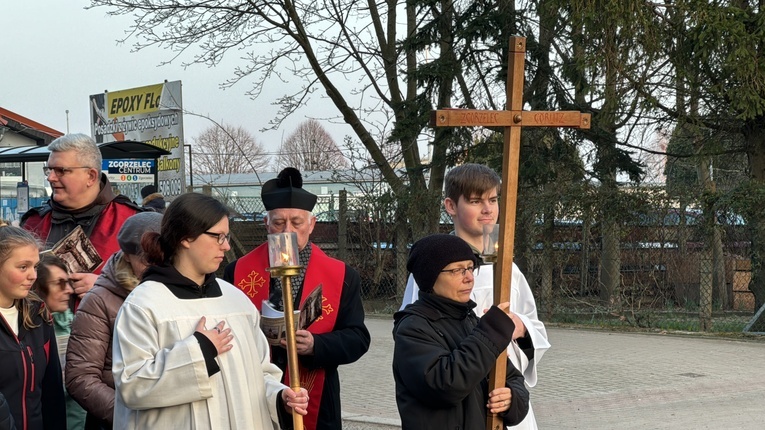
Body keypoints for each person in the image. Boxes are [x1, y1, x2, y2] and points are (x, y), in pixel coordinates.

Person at [111, 193, 308, 429]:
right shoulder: (144, 304)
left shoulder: (236, 301)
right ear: (186, 237)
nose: (225, 245)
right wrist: (199, 350)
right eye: (218, 237)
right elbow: (132, 386)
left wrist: (280, 396)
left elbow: (260, 374)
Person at [400, 163, 550, 429]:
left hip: (503, 397)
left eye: (493, 199)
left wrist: (520, 327)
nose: (487, 209)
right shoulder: (431, 268)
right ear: (451, 206)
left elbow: (534, 327)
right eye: (475, 201)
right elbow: (418, 341)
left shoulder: (509, 268)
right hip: (457, 404)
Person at [223, 167, 371, 430]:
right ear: (266, 224)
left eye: (296, 222)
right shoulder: (237, 271)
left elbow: (357, 338)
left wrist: (316, 344)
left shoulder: (342, 275)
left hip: (316, 393)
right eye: (279, 223)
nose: (287, 231)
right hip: (254, 389)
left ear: (311, 225)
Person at [393, 234, 529, 429]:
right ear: (430, 278)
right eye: (457, 270)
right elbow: (445, 385)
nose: (469, 278)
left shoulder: (472, 322)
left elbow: (514, 378)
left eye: (470, 268)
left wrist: (511, 399)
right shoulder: (412, 328)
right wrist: (490, 333)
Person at [65, 212, 163, 430]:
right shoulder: (100, 299)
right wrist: (129, 417)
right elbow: (81, 377)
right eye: (147, 260)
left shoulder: (172, 291)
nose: (157, 268)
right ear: (127, 255)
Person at [20, 133, 142, 303]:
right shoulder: (33, 222)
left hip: (106, 327)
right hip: (37, 327)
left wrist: (107, 287)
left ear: (91, 176)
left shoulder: (133, 221)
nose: (50, 177)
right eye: (49, 169)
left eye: (61, 170)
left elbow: (159, 288)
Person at [0, 222, 66, 430]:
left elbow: (52, 391)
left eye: (35, 266)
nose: (33, 275)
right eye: (23, 267)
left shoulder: (38, 315)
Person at [32, 254, 87, 430]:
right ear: (38, 288)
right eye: (60, 283)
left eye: (69, 283)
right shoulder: (29, 333)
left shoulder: (70, 322)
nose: (69, 290)